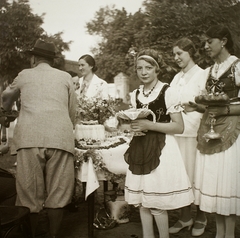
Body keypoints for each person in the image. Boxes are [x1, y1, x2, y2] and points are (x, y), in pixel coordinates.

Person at [1, 39, 77, 238]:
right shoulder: (66, 76)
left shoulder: (25, 74)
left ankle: (33, 235)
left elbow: (6, 96)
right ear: (52, 60)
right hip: (60, 137)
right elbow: (72, 111)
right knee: (59, 192)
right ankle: (53, 236)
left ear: (33, 58)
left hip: (29, 138)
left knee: (28, 192)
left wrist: (7, 108)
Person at [124, 49, 194, 238]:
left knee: (156, 202)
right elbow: (135, 121)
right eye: (139, 68)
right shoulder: (135, 94)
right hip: (140, 148)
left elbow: (179, 127)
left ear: (157, 69)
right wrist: (135, 127)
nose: (143, 72)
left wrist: (149, 124)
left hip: (161, 150)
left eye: (148, 67)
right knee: (143, 201)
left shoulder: (168, 92)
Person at [192, 25, 240, 238]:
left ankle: (229, 235)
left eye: (209, 41)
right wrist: (196, 106)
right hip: (210, 130)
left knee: (227, 187)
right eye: (204, 42)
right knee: (217, 190)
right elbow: (208, 104)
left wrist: (225, 109)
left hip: (231, 132)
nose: (205, 46)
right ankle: (220, 235)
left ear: (223, 41)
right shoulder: (210, 71)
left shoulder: (237, 66)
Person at [169, 38, 207, 236]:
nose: (176, 58)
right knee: (181, 176)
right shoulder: (176, 78)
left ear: (190, 52)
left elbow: (209, 105)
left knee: (197, 176)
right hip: (178, 133)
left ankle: (201, 216)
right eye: (174, 54)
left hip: (195, 134)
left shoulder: (203, 75)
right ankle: (185, 217)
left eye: (179, 54)